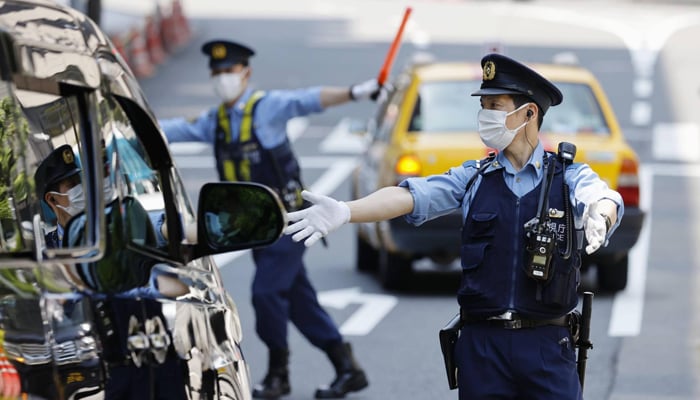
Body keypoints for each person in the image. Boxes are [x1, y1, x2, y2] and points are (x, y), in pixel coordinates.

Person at [285, 53, 625, 400]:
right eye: (484, 105)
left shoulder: (567, 175)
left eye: (496, 105)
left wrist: (602, 213)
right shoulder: (475, 177)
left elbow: (603, 196)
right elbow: (411, 195)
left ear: (528, 113)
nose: (485, 114)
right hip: (483, 349)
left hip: (547, 348)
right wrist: (345, 211)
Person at [159, 39, 375, 399]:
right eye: (217, 74)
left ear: (246, 73)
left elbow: (309, 99)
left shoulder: (267, 107)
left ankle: (278, 373)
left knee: (266, 293)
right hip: (250, 227)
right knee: (298, 299)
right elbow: (173, 129)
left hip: (289, 222)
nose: (222, 79)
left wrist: (354, 92)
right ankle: (348, 368)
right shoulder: (216, 121)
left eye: (229, 71)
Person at [33, 144, 188, 400]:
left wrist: (170, 231)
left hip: (146, 359)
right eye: (72, 184)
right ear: (52, 199)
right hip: (86, 372)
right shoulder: (45, 253)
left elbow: (164, 228)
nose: (82, 188)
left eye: (80, 180)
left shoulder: (118, 225)